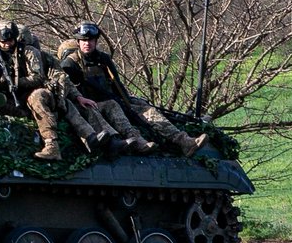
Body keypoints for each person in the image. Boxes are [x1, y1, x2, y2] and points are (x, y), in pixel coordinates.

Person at [59, 22, 209, 157]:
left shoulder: (102, 59)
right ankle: (138, 141)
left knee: (146, 109)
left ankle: (184, 141)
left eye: (90, 40)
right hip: (91, 105)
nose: (87, 43)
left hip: (111, 98)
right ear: (78, 42)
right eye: (84, 40)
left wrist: (128, 102)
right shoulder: (70, 64)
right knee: (113, 105)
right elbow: (68, 92)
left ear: (95, 41)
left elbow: (116, 84)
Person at [0, 20, 62, 161]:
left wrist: (16, 82)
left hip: (27, 93)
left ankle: (52, 145)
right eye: (3, 41)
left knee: (37, 97)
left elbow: (38, 77)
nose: (7, 44)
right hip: (3, 97)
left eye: (10, 40)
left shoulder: (28, 51)